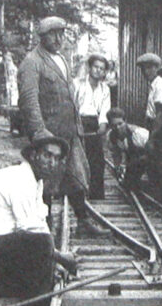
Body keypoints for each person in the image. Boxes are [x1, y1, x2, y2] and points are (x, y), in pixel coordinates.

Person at [17, 16, 104, 236]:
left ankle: (83, 221)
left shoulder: (63, 60)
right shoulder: (32, 62)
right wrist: (39, 133)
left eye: (61, 33)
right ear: (42, 36)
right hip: (49, 136)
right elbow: (29, 100)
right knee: (45, 183)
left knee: (76, 178)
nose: (58, 38)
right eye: (53, 34)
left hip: (69, 134)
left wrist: (78, 129)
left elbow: (70, 96)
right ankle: (44, 227)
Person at [0, 137, 68, 298]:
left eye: (56, 158)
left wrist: (54, 261)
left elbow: (39, 223)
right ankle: (35, 300)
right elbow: (30, 229)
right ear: (34, 155)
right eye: (47, 155)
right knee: (42, 243)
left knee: (43, 244)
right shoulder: (21, 178)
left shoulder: (36, 182)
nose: (52, 162)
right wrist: (60, 257)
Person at [137, 53, 162, 205]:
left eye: (149, 68)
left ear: (156, 68)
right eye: (143, 69)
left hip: (161, 129)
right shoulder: (153, 84)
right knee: (154, 161)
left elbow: (160, 114)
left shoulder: (160, 84)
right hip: (155, 126)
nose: (146, 72)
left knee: (161, 162)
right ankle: (159, 196)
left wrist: (152, 138)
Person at [73, 53, 112, 200]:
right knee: (77, 158)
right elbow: (72, 106)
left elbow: (104, 110)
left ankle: (96, 194)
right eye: (96, 67)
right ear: (90, 67)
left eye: (102, 69)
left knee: (97, 161)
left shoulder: (105, 89)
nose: (98, 71)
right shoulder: (77, 84)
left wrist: (103, 125)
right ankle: (77, 192)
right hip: (78, 121)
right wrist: (76, 125)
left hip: (94, 124)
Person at [106, 107, 149, 191]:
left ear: (125, 121)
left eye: (120, 124)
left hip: (148, 158)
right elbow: (116, 153)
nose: (118, 127)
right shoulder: (112, 136)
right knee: (128, 184)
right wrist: (117, 167)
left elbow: (152, 152)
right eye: (114, 125)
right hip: (133, 161)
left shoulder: (139, 134)